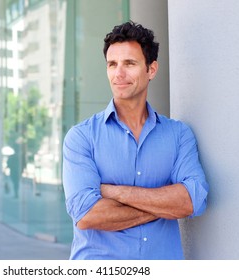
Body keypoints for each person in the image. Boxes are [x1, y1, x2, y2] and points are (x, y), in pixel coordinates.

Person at [62, 21, 209, 260]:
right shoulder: (81, 137)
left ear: (151, 69)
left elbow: (192, 200)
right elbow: (88, 215)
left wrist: (115, 193)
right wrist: (164, 206)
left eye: (129, 63)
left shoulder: (178, 135)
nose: (118, 74)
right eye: (112, 64)